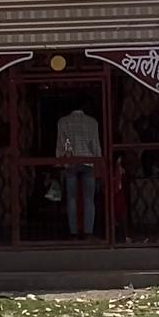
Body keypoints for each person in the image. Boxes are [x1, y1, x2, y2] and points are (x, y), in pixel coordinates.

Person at [55, 97, 101, 238]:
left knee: (72, 198)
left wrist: (59, 162)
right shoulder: (92, 122)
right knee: (89, 199)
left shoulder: (63, 122)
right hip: (88, 162)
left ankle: (73, 232)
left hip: (71, 162)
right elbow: (95, 145)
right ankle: (88, 232)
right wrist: (99, 164)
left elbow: (61, 144)